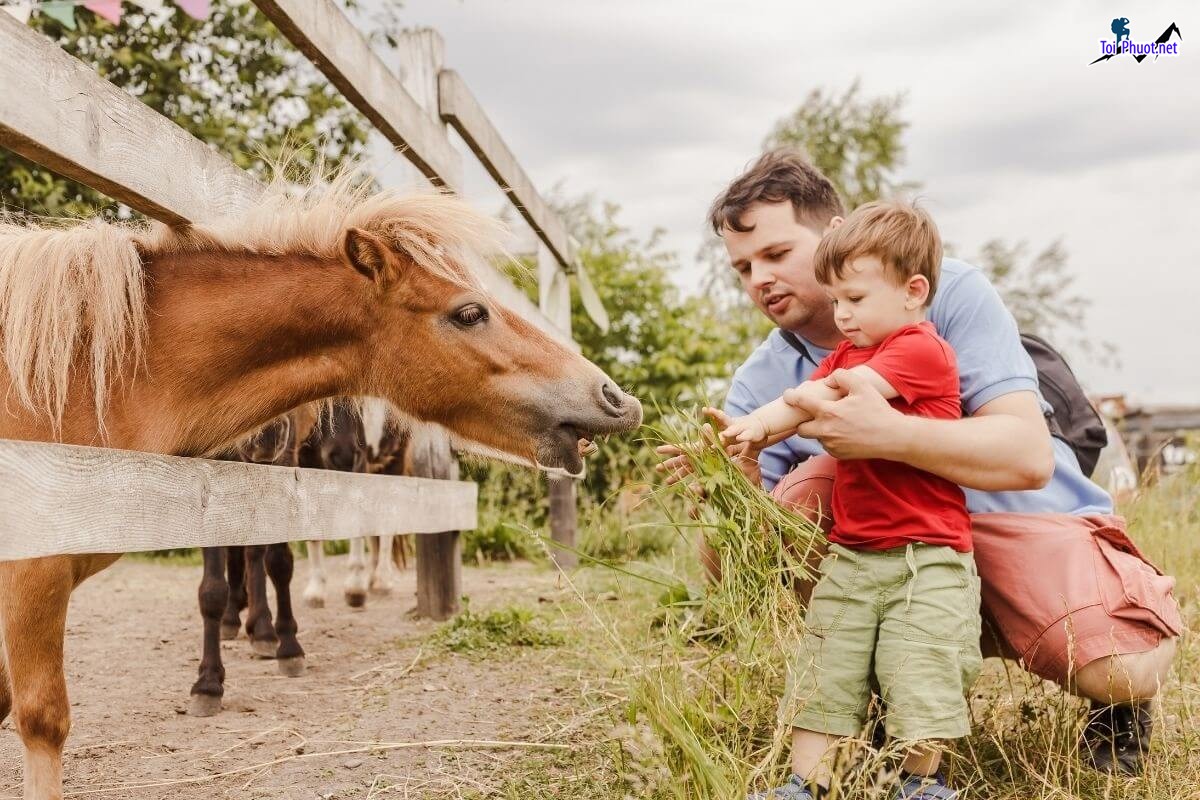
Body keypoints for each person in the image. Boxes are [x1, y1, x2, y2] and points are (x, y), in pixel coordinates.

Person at [656, 149, 1181, 778]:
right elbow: (742, 576)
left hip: (1018, 520)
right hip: (888, 554)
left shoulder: (943, 292)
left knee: (1120, 673)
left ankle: (1120, 681)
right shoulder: (761, 379)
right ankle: (878, 697)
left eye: (775, 254)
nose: (758, 279)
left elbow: (1026, 458)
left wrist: (891, 434)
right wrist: (732, 497)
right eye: (742, 267)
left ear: (833, 236)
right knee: (809, 492)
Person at [721, 200, 979, 799]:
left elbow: (836, 394)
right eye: (835, 300)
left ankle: (921, 785)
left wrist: (789, 415)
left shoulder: (921, 350)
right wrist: (749, 430)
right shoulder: (848, 353)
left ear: (913, 291)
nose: (841, 315)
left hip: (927, 556)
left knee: (920, 671)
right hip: (855, 553)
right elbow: (798, 398)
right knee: (825, 670)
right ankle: (805, 785)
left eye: (856, 300)